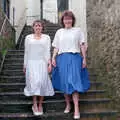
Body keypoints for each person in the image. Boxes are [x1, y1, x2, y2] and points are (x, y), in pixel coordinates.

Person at [52, 10, 90, 119]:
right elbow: (56, 47)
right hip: (62, 58)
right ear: (62, 20)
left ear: (72, 20)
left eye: (69, 18)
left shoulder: (78, 31)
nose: (67, 20)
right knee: (64, 83)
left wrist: (84, 59)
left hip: (75, 58)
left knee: (74, 82)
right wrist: (53, 57)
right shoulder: (59, 32)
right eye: (65, 19)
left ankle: (76, 108)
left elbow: (82, 45)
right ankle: (68, 104)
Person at [23, 20, 54, 116]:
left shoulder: (46, 37)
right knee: (34, 84)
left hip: (42, 63)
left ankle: (40, 104)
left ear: (42, 27)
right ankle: (35, 105)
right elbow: (26, 52)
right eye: (36, 26)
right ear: (33, 27)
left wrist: (49, 63)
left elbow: (47, 51)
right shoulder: (28, 37)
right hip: (31, 63)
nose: (38, 27)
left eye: (39, 26)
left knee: (41, 83)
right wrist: (24, 65)